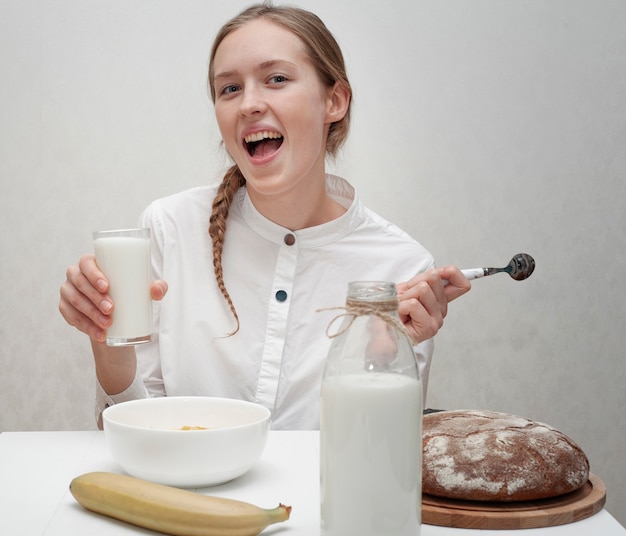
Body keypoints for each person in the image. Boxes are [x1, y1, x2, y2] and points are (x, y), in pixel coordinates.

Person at [59, 2, 470, 430]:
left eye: (276, 79)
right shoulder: (170, 227)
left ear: (335, 100)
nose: (248, 104)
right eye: (229, 89)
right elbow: (129, 433)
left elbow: (382, 459)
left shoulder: (401, 267)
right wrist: (106, 341)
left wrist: (388, 355)